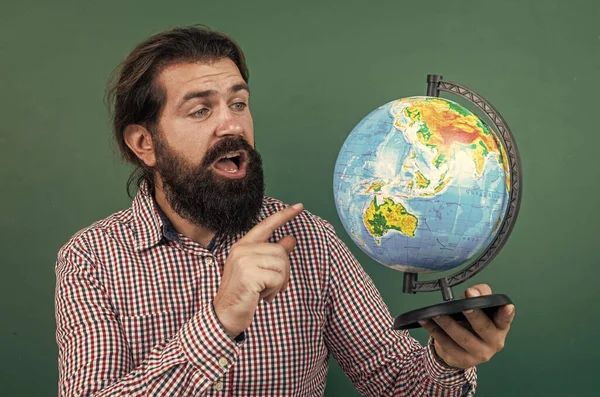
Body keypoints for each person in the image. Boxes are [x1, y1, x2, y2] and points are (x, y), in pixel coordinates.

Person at [54, 25, 515, 397]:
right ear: (144, 143)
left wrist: (448, 362)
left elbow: (397, 383)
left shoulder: (310, 242)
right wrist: (222, 319)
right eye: (200, 111)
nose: (231, 124)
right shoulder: (90, 259)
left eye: (238, 103)